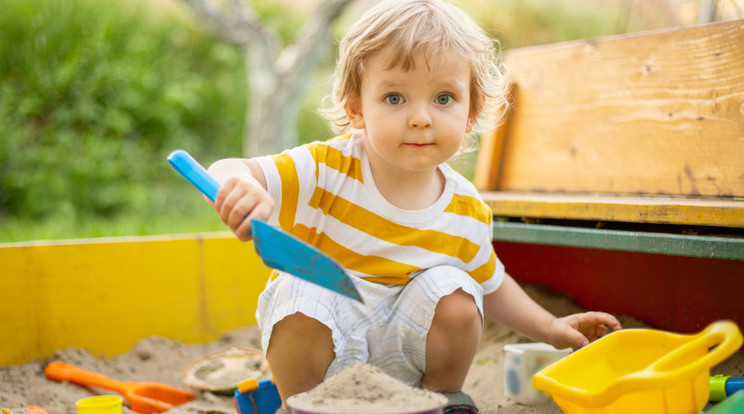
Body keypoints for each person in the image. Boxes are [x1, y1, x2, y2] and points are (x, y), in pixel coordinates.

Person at [206, 0, 622, 412]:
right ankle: (300, 406)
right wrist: (237, 185)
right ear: (356, 108)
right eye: (394, 98)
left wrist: (550, 327)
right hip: (326, 358)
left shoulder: (465, 209)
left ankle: (442, 401)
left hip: (408, 365)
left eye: (443, 98)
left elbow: (492, 284)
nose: (421, 118)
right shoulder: (325, 169)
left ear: (472, 110)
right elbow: (228, 168)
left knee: (457, 289)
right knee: (297, 286)